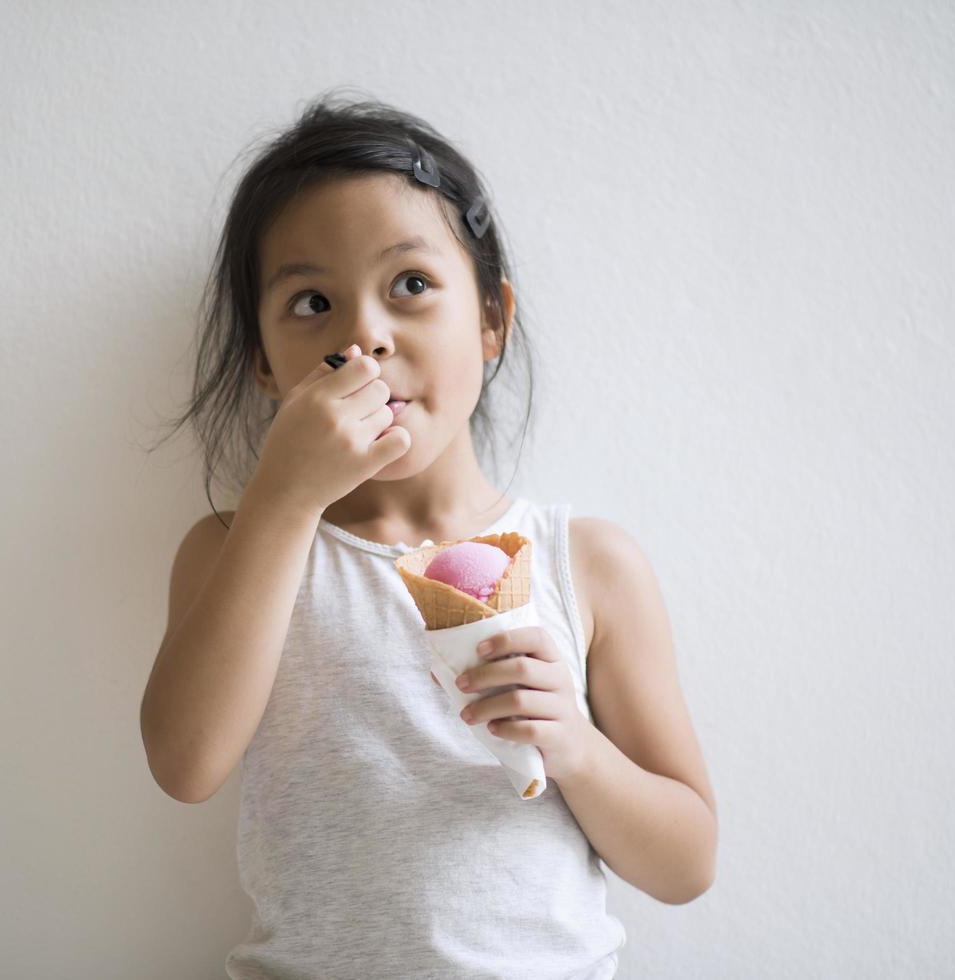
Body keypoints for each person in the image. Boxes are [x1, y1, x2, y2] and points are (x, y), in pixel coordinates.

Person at [140, 90, 718, 979]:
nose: (363, 335)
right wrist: (284, 500)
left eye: (410, 285)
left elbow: (686, 863)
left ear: (490, 320)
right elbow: (185, 763)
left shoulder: (588, 564)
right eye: (310, 303)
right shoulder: (235, 548)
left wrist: (575, 747)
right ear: (261, 359)